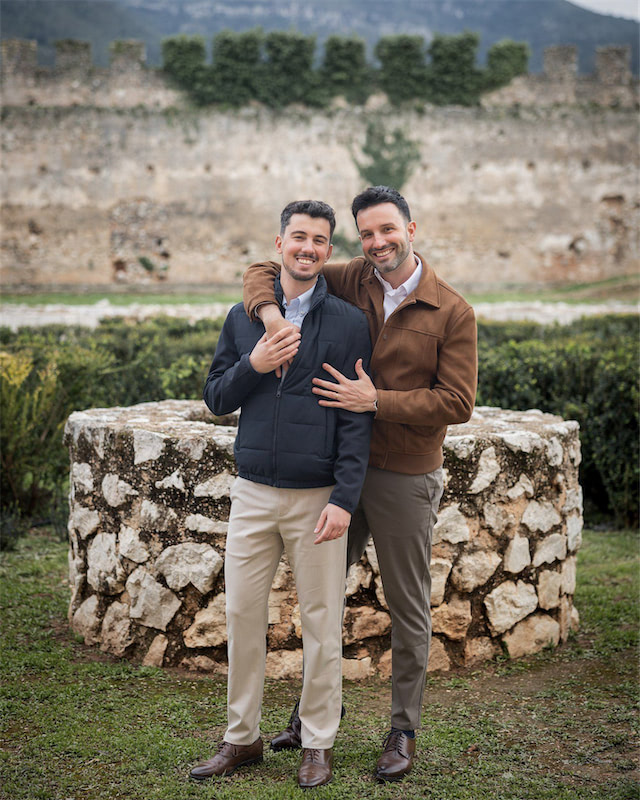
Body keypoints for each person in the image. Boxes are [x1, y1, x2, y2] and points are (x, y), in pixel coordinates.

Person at [243, 185, 477, 782]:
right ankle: (310, 716)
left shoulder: (452, 310)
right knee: (321, 601)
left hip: (404, 477)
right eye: (367, 234)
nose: (378, 243)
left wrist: (378, 400)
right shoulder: (352, 277)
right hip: (336, 475)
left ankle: (402, 730)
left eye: (387, 231)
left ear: (411, 228)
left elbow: (458, 401)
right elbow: (262, 270)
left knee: (406, 608)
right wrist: (270, 317)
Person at [191, 200, 372, 789]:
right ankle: (240, 739)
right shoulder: (244, 317)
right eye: (299, 237)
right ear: (279, 243)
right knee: (243, 615)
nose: (308, 248)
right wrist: (255, 361)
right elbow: (218, 396)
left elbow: (355, 420)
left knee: (322, 622)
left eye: (320, 240)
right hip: (252, 492)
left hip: (317, 496)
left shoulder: (347, 323)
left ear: (327, 251)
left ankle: (317, 743)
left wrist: (345, 498)